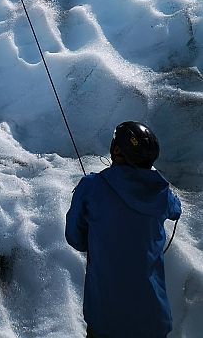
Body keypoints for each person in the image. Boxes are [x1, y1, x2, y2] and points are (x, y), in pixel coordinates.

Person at [65, 121, 181, 338]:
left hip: (106, 318)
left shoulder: (91, 187)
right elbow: (176, 210)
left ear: (116, 150)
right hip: (154, 320)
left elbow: (75, 238)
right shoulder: (162, 194)